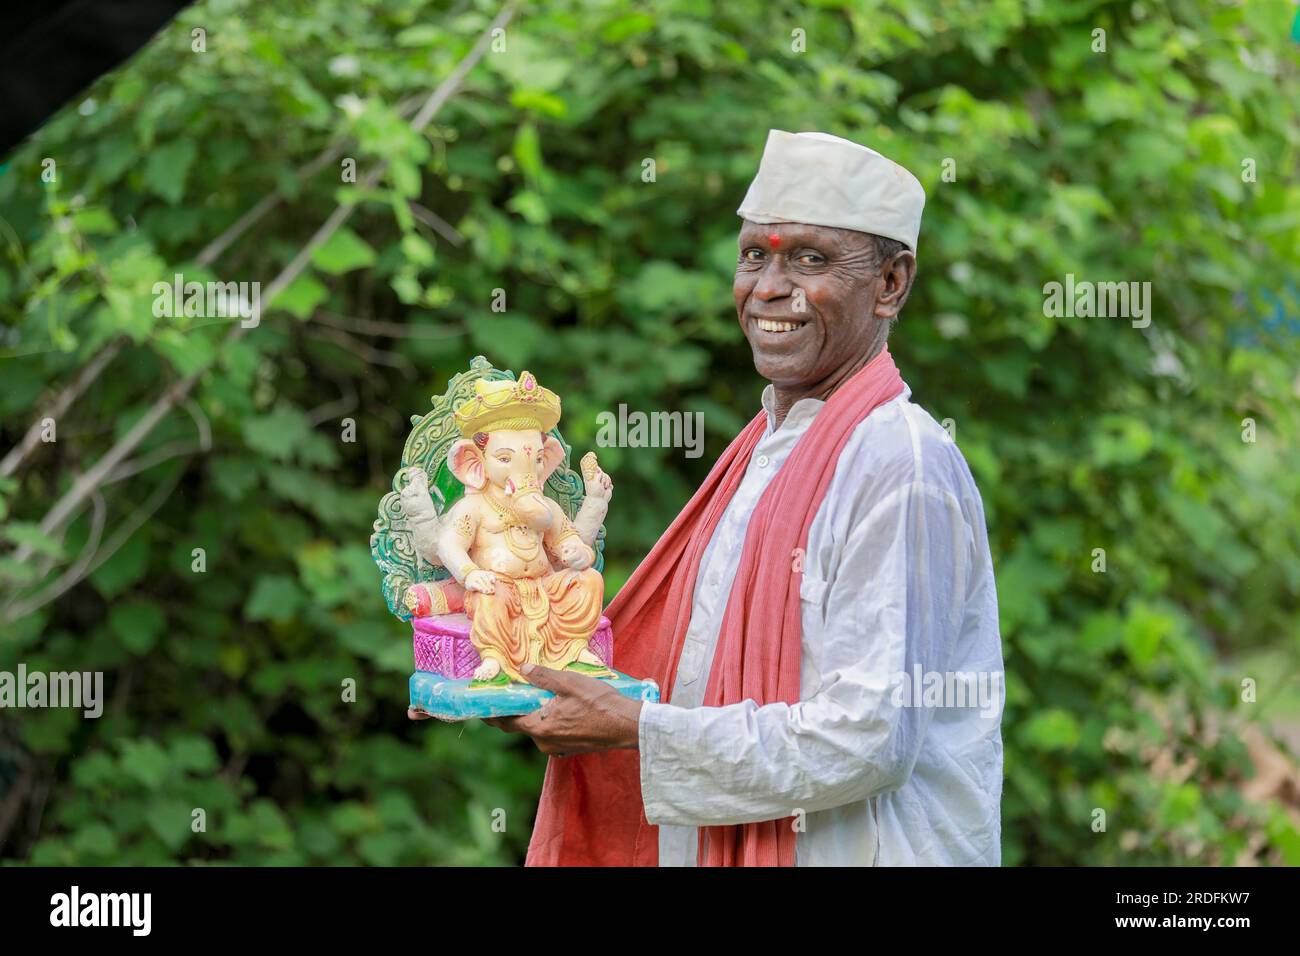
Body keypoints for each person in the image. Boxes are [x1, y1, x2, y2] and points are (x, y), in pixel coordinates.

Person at [484, 130, 1004, 866]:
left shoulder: (901, 463)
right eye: (755, 254)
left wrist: (637, 726)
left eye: (811, 259)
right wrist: (517, 664)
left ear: (891, 284)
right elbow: (696, 676)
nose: (767, 287)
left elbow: (869, 737)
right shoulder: (763, 448)